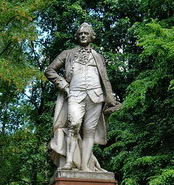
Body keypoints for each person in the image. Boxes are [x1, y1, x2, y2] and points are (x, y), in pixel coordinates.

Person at [44, 22, 121, 172]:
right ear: (77, 37)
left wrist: (110, 98)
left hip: (96, 96)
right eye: (80, 34)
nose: (83, 36)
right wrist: (64, 85)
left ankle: (85, 166)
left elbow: (105, 79)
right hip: (75, 93)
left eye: (86, 33)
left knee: (89, 131)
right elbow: (50, 70)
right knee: (74, 125)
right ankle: (69, 162)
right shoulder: (67, 53)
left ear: (92, 36)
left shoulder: (98, 57)